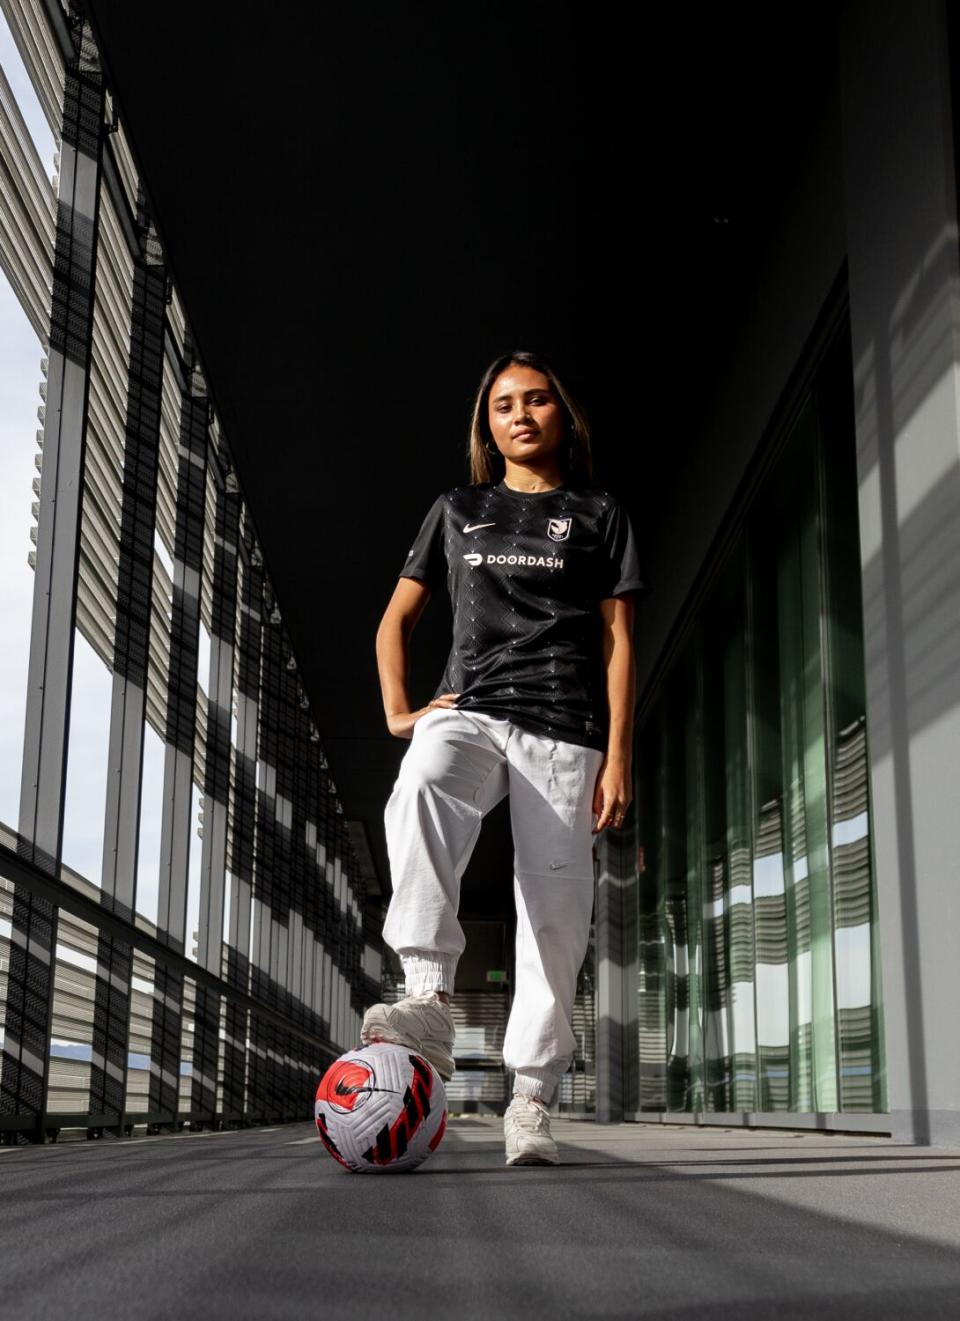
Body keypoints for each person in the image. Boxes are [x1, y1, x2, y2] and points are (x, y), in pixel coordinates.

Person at [362, 349, 646, 1166]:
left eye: (537, 400)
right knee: (420, 775)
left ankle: (531, 1102)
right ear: (487, 425)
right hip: (472, 709)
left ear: (563, 414)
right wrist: (398, 711)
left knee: (555, 917)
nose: (520, 414)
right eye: (502, 405)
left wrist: (619, 753)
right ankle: (427, 994)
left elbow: (620, 639)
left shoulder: (599, 513)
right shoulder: (458, 509)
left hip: (564, 725)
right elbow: (395, 621)